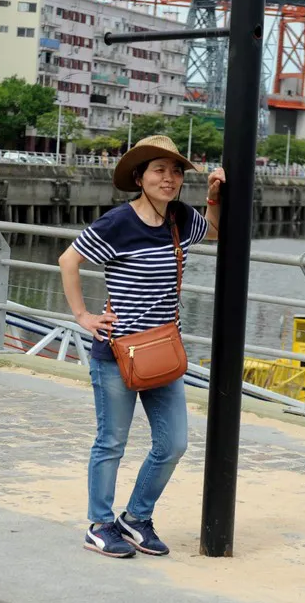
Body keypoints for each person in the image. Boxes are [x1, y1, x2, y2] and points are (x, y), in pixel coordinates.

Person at [58, 135, 224, 558]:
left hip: (162, 353)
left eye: (175, 172)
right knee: (111, 441)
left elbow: (215, 233)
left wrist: (213, 198)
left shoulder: (182, 219)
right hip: (117, 353)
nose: (168, 179)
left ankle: (135, 518)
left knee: (173, 444)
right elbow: (68, 260)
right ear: (139, 177)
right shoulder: (118, 222)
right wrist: (82, 316)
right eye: (158, 170)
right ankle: (99, 524)